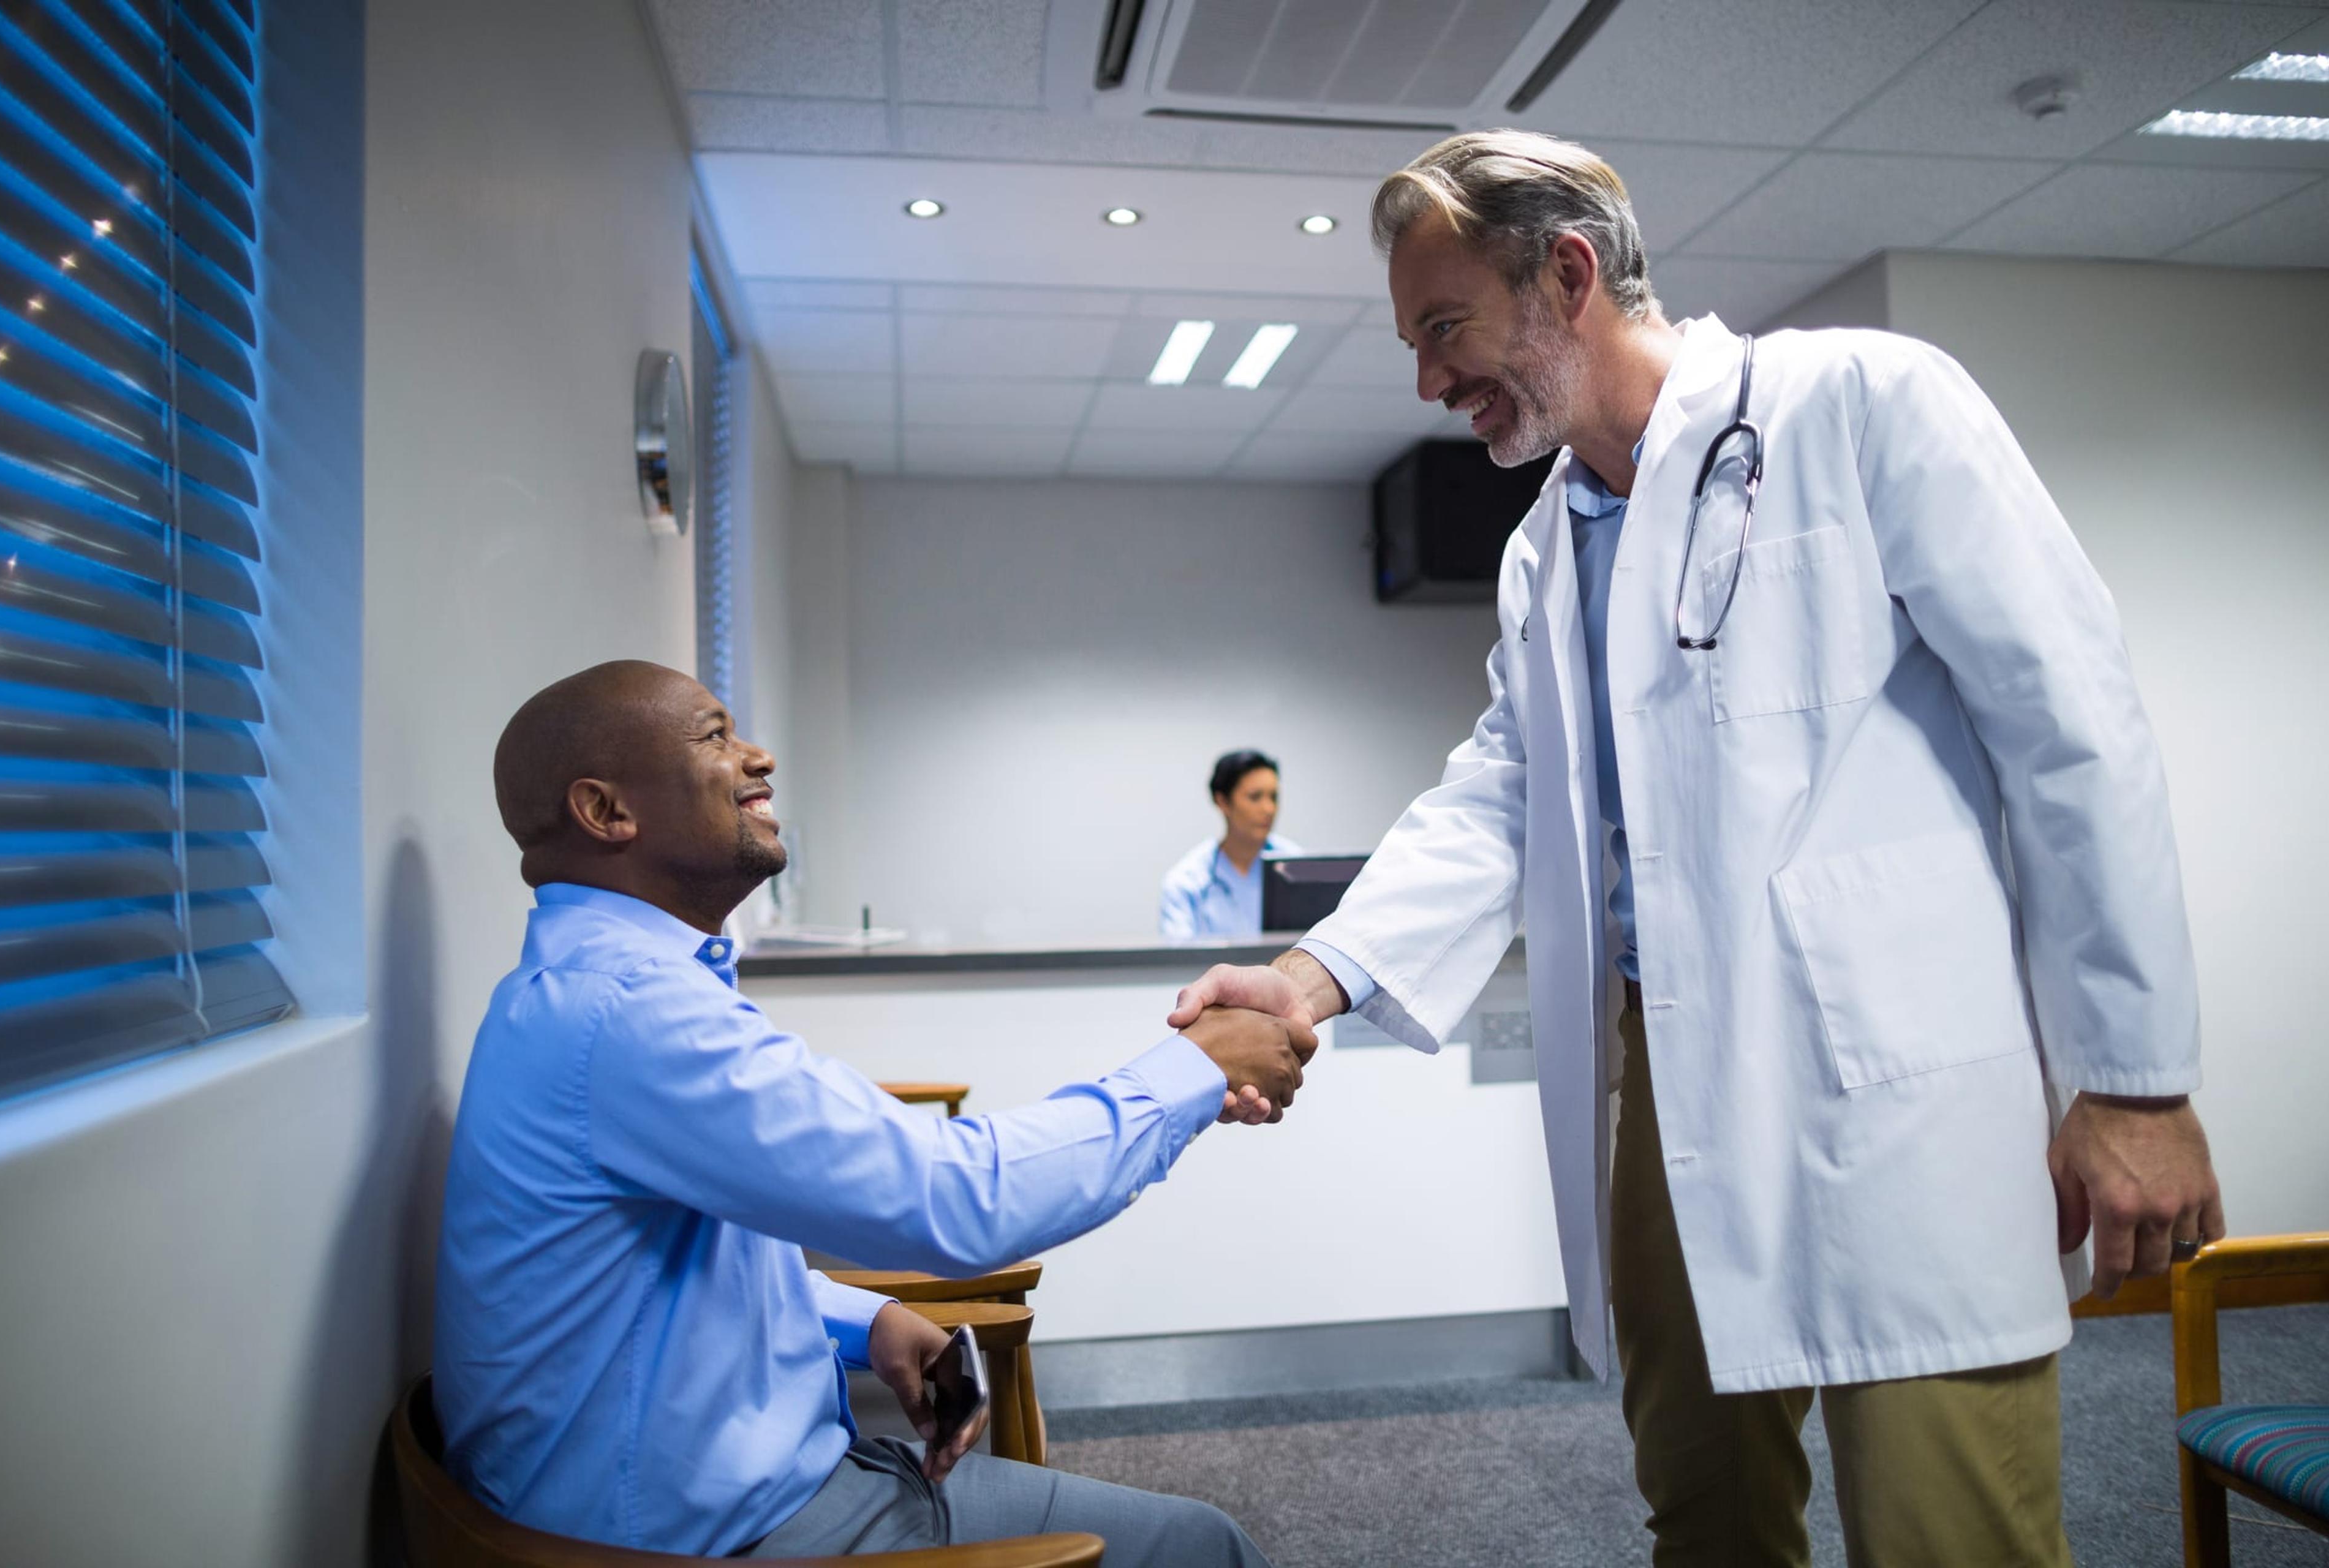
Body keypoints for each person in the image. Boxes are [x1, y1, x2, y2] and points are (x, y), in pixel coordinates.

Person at [1174, 130, 2224, 1566]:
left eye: (1443, 328)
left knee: (1944, 1528)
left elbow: (2072, 723)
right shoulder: (1543, 548)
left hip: (1887, 1068)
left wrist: (2135, 1079)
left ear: (1564, 273)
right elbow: (1502, 787)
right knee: (1702, 1506)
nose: (1427, 380)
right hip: (1661, 1066)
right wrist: (1308, 976)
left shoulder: (1860, 404)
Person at [436, 660, 1306, 1563]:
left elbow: (668, 1285)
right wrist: (1195, 1067)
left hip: (690, 1494)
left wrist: (868, 1324)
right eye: (715, 736)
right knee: (1202, 1547)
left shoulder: (586, 991)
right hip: (697, 1540)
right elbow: (960, 1200)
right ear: (607, 812)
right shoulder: (630, 1010)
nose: (758, 756)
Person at [1158, 749, 1304, 940]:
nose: (1269, 809)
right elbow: (1179, 962)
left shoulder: (1298, 868)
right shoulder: (1187, 882)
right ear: (1223, 802)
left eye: (1274, 798)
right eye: (1255, 797)